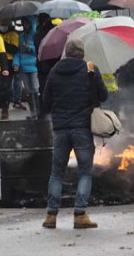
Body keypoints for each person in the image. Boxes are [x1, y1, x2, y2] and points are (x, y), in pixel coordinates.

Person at [41, 38, 107, 230]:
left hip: (61, 129)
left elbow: (45, 100)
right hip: (82, 128)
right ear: (82, 53)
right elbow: (103, 96)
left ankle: (51, 216)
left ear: (66, 52)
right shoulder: (90, 70)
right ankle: (80, 215)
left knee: (56, 172)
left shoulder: (54, 71)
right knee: (85, 172)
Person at [12, 17, 40, 117]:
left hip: (33, 66)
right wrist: (16, 63)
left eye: (26, 23)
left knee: (35, 89)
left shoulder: (36, 36)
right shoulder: (21, 36)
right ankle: (32, 111)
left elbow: (38, 49)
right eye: (23, 24)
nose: (25, 26)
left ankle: (38, 111)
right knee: (28, 91)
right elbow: (18, 52)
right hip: (23, 67)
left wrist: (29, 47)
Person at [0, 19, 19, 121]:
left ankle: (5, 108)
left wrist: (3, 44)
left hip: (9, 62)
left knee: (6, 87)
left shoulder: (13, 34)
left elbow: (14, 49)